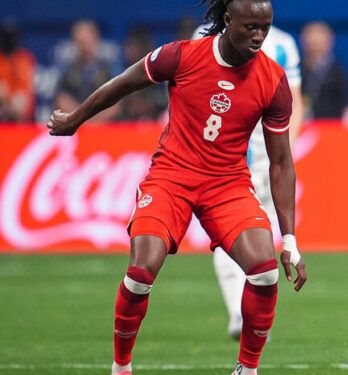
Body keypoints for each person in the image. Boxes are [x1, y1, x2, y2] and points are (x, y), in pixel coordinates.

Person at [46, 1, 308, 374]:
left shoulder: (273, 81)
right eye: (251, 27)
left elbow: (282, 163)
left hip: (228, 183)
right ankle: (121, 367)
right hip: (172, 176)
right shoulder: (182, 55)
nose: (259, 36)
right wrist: (75, 119)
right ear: (229, 21)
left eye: (265, 27)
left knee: (264, 270)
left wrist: (291, 240)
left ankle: (247, 370)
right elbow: (122, 83)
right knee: (141, 272)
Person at [192, 19, 305, 341]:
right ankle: (238, 314)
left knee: (263, 234)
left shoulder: (283, 44)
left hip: (267, 155)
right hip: (224, 157)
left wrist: (286, 150)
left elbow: (294, 100)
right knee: (227, 234)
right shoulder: (204, 38)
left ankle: (251, 313)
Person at [53, 19, 121, 122]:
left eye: (86, 41)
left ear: (96, 40)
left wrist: (95, 120)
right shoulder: (67, 70)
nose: (84, 47)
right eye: (80, 42)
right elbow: (61, 99)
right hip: (76, 125)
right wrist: (81, 117)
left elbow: (118, 101)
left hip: (104, 127)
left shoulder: (109, 68)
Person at [300, 21, 348, 119]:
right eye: (312, 44)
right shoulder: (296, 69)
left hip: (329, 125)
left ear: (329, 43)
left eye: (318, 44)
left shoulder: (337, 72)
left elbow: (342, 102)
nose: (315, 48)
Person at [0, 19, 35, 122]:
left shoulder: (25, 58)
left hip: (20, 111)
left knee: (20, 100)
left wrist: (11, 100)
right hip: (3, 108)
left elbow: (26, 92)